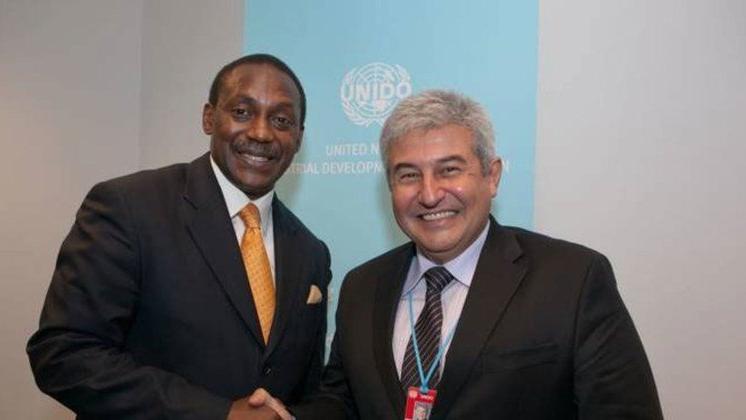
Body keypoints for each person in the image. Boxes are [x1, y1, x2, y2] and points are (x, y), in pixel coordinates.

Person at [259, 89, 663, 419]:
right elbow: (343, 403)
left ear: (492, 176)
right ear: (390, 187)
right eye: (408, 175)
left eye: (449, 170)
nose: (429, 194)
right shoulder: (362, 286)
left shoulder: (573, 279)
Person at [27, 54, 331, 420]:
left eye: (281, 120)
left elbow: (308, 392)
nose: (261, 133)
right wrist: (218, 414)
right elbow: (64, 354)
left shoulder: (310, 252)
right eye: (242, 112)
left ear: (298, 137)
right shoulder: (129, 207)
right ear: (209, 118)